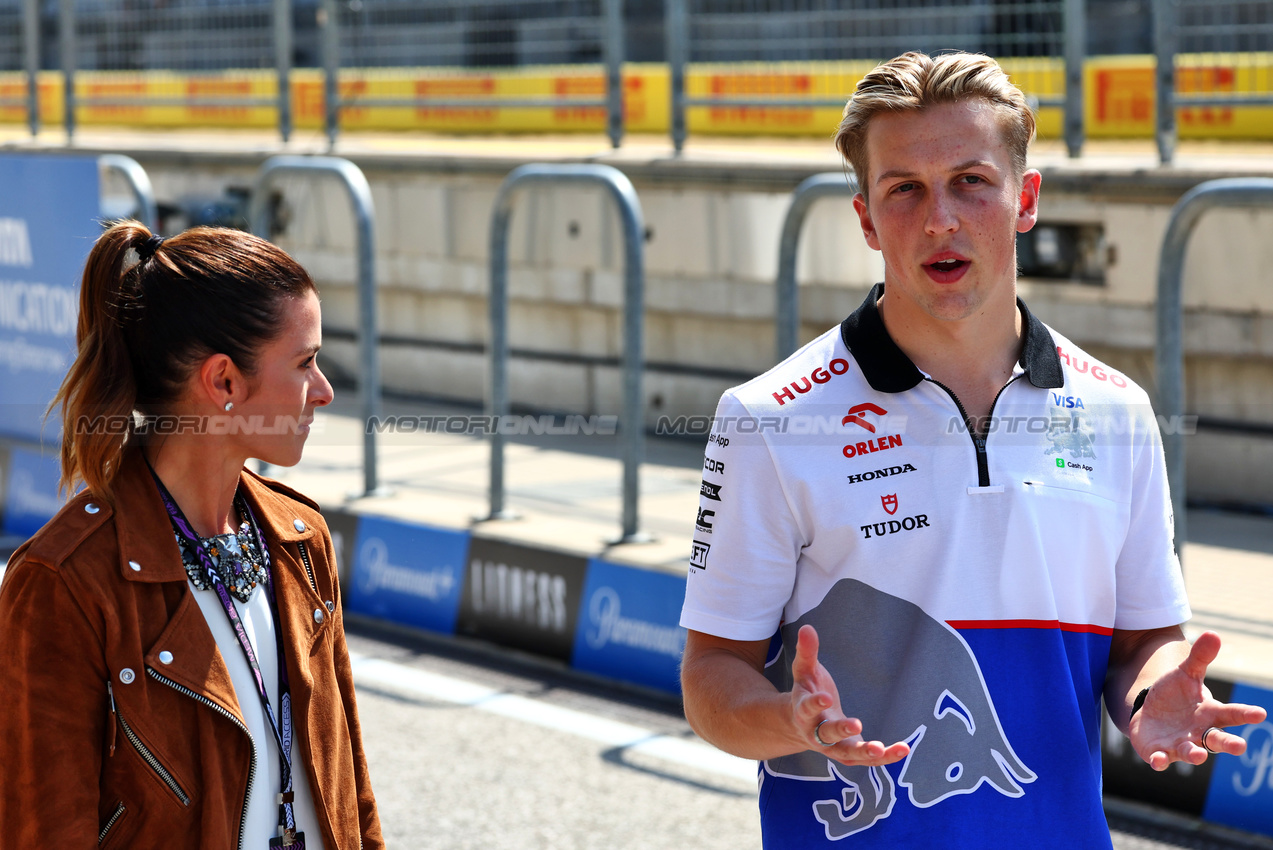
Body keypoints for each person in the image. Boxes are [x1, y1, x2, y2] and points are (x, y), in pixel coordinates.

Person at [679, 51, 1266, 848]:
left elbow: (1142, 642)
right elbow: (710, 677)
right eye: (904, 190)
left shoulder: (1116, 410)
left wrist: (1152, 696)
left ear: (1023, 199)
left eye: (970, 181)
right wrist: (789, 720)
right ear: (864, 218)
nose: (940, 220)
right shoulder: (766, 417)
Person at [0, 223, 384, 848]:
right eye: (306, 362)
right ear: (225, 382)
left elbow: (353, 797)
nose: (324, 391)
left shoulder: (300, 537)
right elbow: (41, 828)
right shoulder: (64, 583)